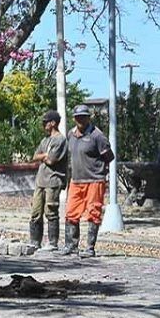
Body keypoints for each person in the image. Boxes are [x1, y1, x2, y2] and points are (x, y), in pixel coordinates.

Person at [60, 104, 114, 258]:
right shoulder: (71, 134)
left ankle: (90, 247)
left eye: (83, 117)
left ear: (88, 118)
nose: (80, 120)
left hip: (94, 180)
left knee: (93, 213)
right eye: (78, 117)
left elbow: (109, 156)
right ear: (74, 119)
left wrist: (100, 171)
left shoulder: (97, 136)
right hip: (76, 180)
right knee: (71, 212)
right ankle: (71, 246)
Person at [28, 110, 67, 251]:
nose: (43, 125)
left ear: (53, 123)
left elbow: (51, 160)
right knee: (35, 212)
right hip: (41, 180)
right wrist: (45, 155)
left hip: (53, 180)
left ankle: (52, 242)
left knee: (51, 211)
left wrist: (45, 156)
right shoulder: (45, 140)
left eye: (46, 122)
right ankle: (34, 241)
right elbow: (34, 156)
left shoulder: (60, 140)